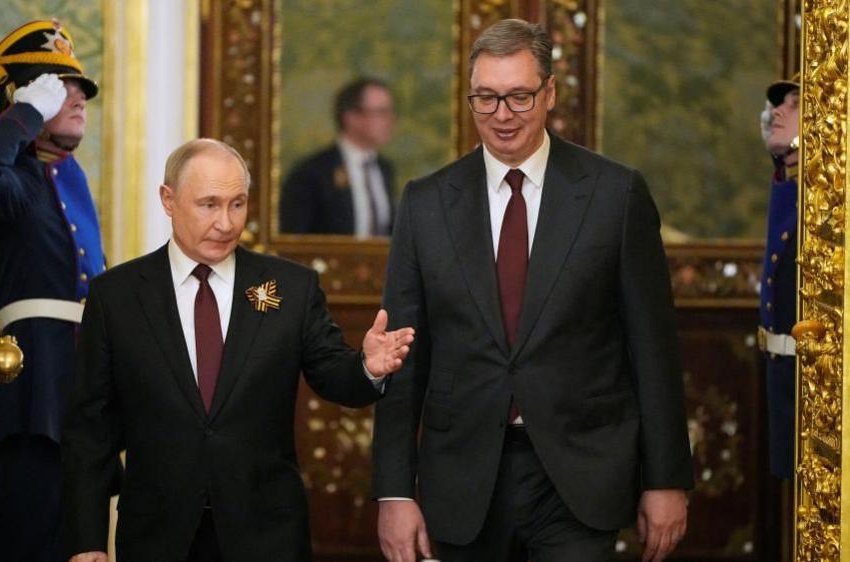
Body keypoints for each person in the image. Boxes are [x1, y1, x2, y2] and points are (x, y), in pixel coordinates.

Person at [372, 18, 694, 562]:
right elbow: (402, 356)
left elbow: (653, 349)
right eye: (487, 98)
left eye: (519, 97)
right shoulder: (425, 204)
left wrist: (666, 479)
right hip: (462, 476)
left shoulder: (615, 195)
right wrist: (395, 490)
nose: (502, 115)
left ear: (550, 93)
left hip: (581, 475)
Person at [62, 139, 415, 562]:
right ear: (168, 200)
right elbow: (90, 429)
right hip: (158, 535)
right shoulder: (116, 296)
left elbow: (333, 373)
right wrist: (87, 542)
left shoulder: (291, 288)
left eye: (237, 204)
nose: (226, 223)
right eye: (209, 205)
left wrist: (368, 367)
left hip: (266, 534)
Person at [0, 19, 102, 562]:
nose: (76, 96)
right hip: (29, 393)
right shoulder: (16, 178)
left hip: (79, 388)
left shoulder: (71, 178)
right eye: (57, 86)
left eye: (79, 87)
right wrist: (22, 115)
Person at [279, 77, 396, 236]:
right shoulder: (312, 173)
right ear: (351, 117)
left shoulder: (384, 168)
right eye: (381, 112)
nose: (390, 121)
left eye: (389, 112)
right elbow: (295, 238)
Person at [758, 76, 799, 479]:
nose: (777, 112)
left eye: (794, 103)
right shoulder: (788, 184)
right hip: (784, 378)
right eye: (776, 104)